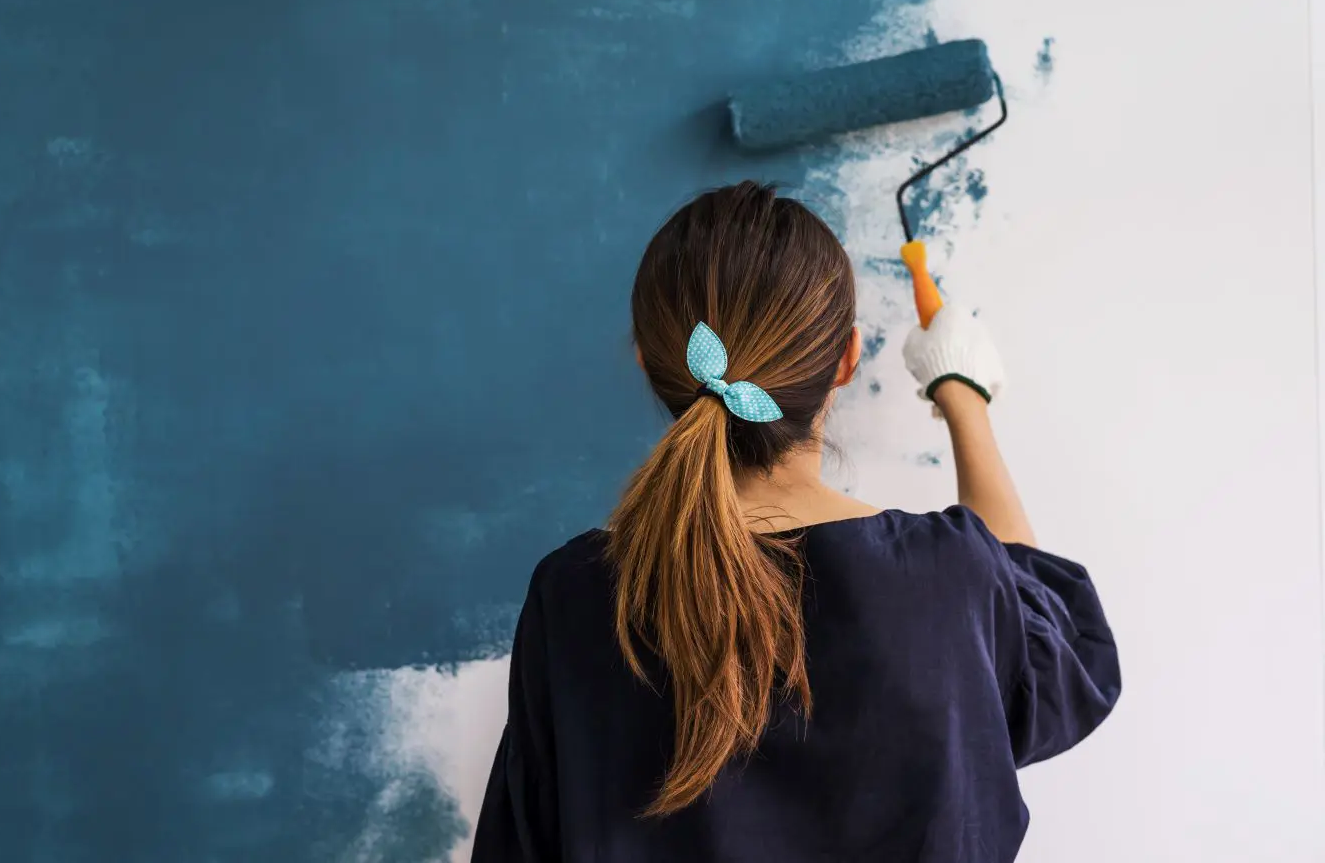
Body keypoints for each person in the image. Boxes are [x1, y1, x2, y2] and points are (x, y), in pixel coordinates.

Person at [471, 181, 1120, 863]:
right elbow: (1057, 658)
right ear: (847, 359)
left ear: (647, 361)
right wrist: (963, 394)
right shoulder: (944, 577)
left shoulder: (574, 597)